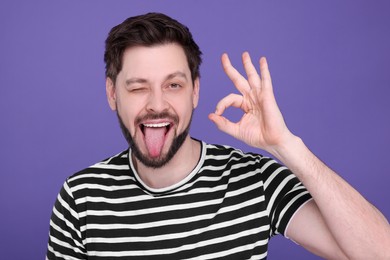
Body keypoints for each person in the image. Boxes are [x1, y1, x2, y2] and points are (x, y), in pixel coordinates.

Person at [46, 12, 390, 259]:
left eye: (174, 85)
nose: (157, 104)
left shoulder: (256, 180)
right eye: (138, 88)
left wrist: (286, 146)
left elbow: (379, 253)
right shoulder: (81, 198)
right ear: (112, 93)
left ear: (195, 91)